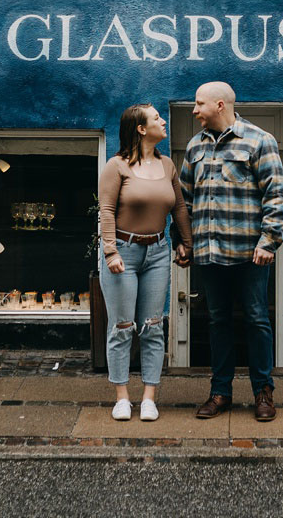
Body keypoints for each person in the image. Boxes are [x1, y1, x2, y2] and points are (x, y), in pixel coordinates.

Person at [180, 81, 283, 422]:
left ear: (220, 105)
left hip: (250, 254)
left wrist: (268, 242)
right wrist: (183, 241)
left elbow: (276, 196)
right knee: (218, 321)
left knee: (256, 320)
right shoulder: (194, 147)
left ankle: (263, 393)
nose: (194, 111)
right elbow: (184, 199)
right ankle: (220, 393)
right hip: (208, 254)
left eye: (199, 104)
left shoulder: (259, 141)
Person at [97, 103, 192, 421]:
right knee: (123, 326)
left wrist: (186, 243)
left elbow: (179, 207)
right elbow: (107, 210)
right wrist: (110, 251)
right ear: (140, 128)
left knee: (153, 326)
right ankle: (122, 397)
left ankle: (149, 397)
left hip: (158, 252)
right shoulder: (117, 165)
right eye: (156, 119)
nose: (162, 122)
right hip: (123, 251)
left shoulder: (167, 165)